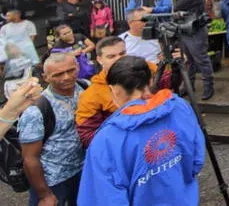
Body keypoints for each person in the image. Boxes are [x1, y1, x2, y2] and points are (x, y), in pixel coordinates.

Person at [77, 56, 205, 206]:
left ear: (113, 89)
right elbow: (196, 159)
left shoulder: (106, 139)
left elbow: (101, 198)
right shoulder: (179, 107)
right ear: (150, 82)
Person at [19, 52, 86, 206]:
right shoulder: (36, 111)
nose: (67, 77)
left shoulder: (85, 87)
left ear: (77, 67)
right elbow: (30, 158)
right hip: (54, 180)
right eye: (58, 74)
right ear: (46, 77)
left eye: (70, 70)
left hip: (83, 170)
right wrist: (44, 195)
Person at [175, 0, 214, 101]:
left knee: (201, 59)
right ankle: (189, 86)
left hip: (195, 31)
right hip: (188, 30)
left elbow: (177, 6)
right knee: (189, 60)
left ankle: (208, 87)